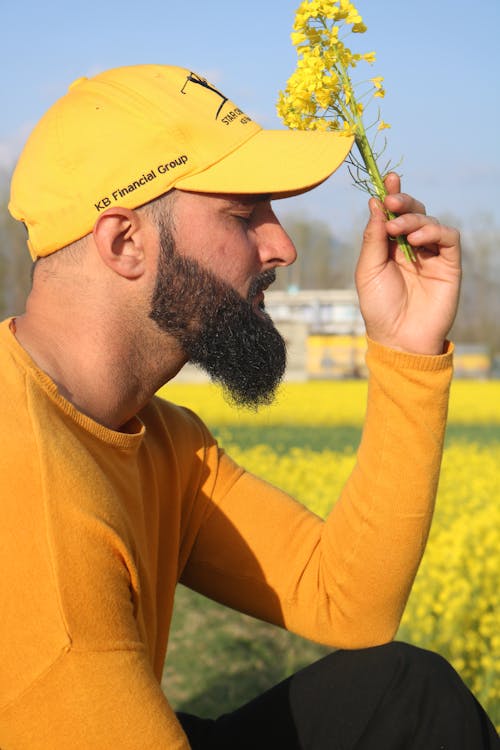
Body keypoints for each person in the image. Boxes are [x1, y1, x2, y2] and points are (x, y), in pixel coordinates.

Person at [1, 63, 498, 749]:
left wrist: (407, 351)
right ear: (124, 243)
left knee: (404, 699)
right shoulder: (29, 500)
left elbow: (346, 599)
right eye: (243, 215)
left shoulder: (160, 439)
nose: (283, 247)